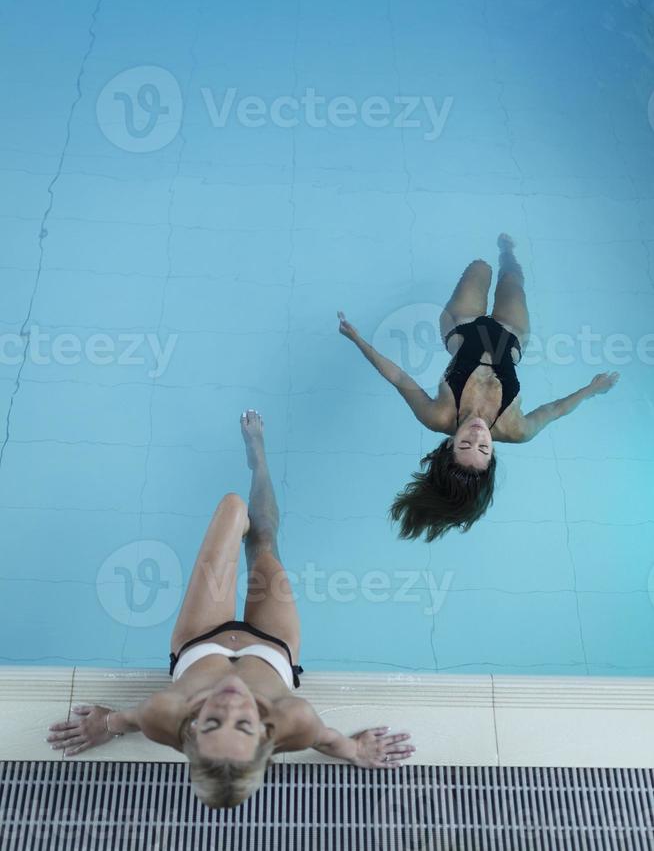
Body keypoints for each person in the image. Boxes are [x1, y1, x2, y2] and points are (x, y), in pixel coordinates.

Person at [47, 411, 415, 808]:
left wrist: (103, 724)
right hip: (272, 646)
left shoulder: (163, 714)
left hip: (200, 637)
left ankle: (244, 506)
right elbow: (330, 740)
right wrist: (358, 752)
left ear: (190, 733)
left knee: (233, 505)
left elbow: (124, 721)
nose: (228, 704)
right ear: (264, 736)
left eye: (210, 722)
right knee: (264, 543)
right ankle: (258, 457)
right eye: (242, 723)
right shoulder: (296, 720)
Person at [338, 233, 619, 542]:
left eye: (464, 445)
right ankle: (507, 249)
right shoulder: (516, 430)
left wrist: (358, 340)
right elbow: (554, 410)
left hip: (462, 324)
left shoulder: (438, 416)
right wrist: (593, 388)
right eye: (483, 448)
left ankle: (489, 257)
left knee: (480, 267)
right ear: (493, 454)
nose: (476, 435)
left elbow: (399, 378)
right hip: (511, 335)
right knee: (511, 276)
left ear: (448, 446)